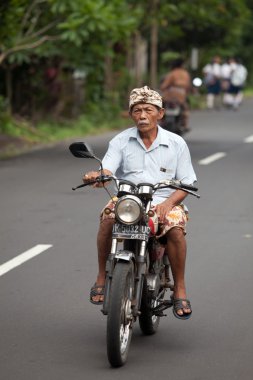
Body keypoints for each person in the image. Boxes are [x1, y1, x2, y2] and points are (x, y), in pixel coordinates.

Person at [83, 86, 197, 320]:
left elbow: (187, 182)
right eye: (137, 110)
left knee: (175, 230)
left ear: (160, 113)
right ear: (131, 114)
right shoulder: (121, 140)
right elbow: (108, 167)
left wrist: (167, 205)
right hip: (128, 200)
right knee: (107, 219)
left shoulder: (176, 143)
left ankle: (180, 288)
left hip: (166, 200)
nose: (142, 115)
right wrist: (98, 175)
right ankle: (101, 277)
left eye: (148, 110)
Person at [160, 58, 192, 132]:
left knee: (160, 104)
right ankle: (185, 124)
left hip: (170, 94)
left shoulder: (172, 73)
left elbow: (164, 86)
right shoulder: (185, 74)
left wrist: (162, 88)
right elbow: (188, 86)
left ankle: (161, 120)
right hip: (182, 95)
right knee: (185, 108)